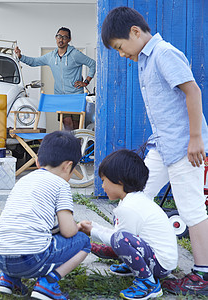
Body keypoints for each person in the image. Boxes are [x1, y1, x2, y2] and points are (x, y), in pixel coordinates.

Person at [101, 6, 208, 296]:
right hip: (162, 144)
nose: (121, 54)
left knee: (191, 208)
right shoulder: (143, 59)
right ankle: (138, 257)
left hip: (186, 147)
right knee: (138, 195)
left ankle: (202, 273)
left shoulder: (164, 53)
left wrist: (196, 138)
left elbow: (193, 91)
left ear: (135, 32)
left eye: (120, 47)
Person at [0, 131, 91, 300]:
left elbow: (32, 224)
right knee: (84, 242)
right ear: (68, 166)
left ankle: (8, 279)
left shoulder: (23, 181)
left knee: (23, 236)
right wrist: (78, 228)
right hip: (31, 259)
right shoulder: (60, 185)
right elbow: (68, 232)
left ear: (37, 162)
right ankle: (49, 283)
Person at [78, 149, 178, 299]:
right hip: (156, 258)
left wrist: (92, 231)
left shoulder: (130, 207)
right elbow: (120, 234)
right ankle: (136, 265)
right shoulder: (132, 201)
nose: (102, 185)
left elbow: (117, 239)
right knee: (120, 233)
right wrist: (94, 227)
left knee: (120, 239)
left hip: (160, 265)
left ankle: (148, 283)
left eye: (104, 180)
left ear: (119, 181)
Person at [15, 27, 96, 130]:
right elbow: (34, 62)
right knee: (67, 123)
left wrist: (86, 82)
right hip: (60, 96)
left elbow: (92, 64)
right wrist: (20, 56)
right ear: (55, 37)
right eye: (59, 36)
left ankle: (76, 145)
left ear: (69, 39)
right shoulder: (51, 56)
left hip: (76, 95)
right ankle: (68, 144)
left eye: (64, 37)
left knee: (76, 125)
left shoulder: (75, 54)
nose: (61, 39)